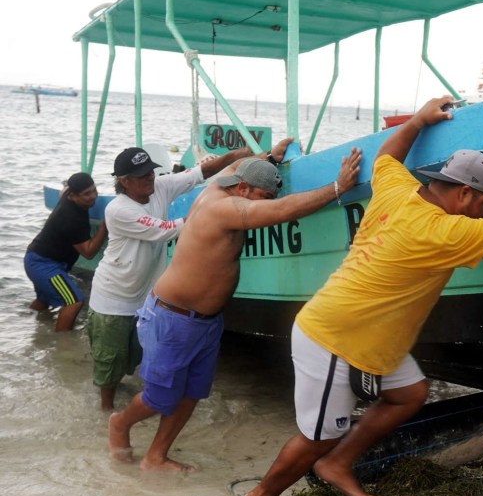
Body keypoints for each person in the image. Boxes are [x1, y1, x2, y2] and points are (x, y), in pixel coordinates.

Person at [242, 95, 483, 496]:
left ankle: (338, 464)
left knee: (410, 394)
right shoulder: (442, 231)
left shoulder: (398, 190)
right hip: (335, 338)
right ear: (462, 193)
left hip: (365, 331)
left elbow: (387, 156)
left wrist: (418, 120)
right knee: (320, 435)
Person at [107, 144, 363, 472]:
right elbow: (284, 210)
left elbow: (239, 165)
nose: (264, 204)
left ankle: (156, 456)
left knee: (191, 393)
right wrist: (339, 187)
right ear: (242, 188)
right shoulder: (223, 208)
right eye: (261, 196)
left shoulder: (227, 182)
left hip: (206, 320)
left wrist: (269, 157)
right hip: (173, 317)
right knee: (160, 398)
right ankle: (119, 423)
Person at [87, 142, 283, 411]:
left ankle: (134, 406)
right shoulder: (118, 210)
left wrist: (249, 158)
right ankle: (105, 413)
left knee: (135, 360)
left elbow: (200, 172)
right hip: (113, 299)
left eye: (151, 171)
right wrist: (212, 208)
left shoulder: (159, 187)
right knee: (109, 364)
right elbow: (168, 229)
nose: (150, 178)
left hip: (145, 298)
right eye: (141, 175)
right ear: (123, 182)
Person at [24, 172, 108, 332]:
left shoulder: (67, 196)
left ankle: (25, 325)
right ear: (73, 196)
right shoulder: (70, 218)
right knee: (74, 301)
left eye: (94, 190)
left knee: (43, 301)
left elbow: (63, 190)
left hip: (35, 258)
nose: (93, 197)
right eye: (86, 194)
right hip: (44, 265)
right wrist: (103, 228)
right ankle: (62, 346)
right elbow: (88, 252)